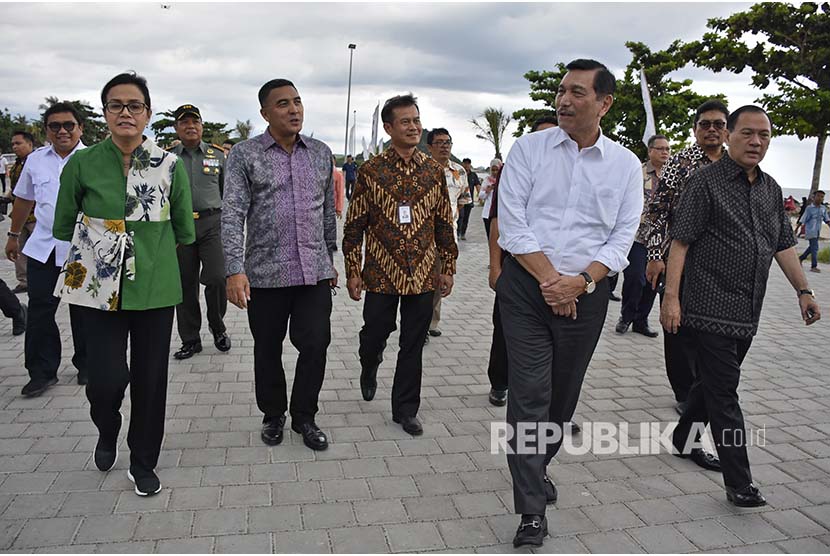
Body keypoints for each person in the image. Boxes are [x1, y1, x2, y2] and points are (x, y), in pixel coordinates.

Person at [497, 59, 643, 548]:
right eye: (561, 90)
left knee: (561, 400)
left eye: (577, 92)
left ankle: (537, 466)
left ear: (604, 103)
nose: (563, 99)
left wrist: (579, 282)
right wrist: (550, 282)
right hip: (526, 287)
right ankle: (531, 509)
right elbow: (513, 224)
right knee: (529, 395)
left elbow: (622, 239)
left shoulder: (624, 165)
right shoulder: (529, 149)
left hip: (587, 292)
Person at [663, 105, 820, 508]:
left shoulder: (770, 188)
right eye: (748, 133)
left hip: (747, 309)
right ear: (729, 135)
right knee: (725, 395)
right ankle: (739, 482)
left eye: (764, 135)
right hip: (707, 305)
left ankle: (681, 437)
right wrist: (671, 298)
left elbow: (782, 244)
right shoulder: (704, 183)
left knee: (712, 386)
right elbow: (679, 242)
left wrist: (805, 291)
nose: (756, 142)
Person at [52, 72, 196, 496]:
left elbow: (185, 229)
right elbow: (63, 223)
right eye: (116, 105)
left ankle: (143, 459)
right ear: (104, 113)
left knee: (151, 379)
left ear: (148, 114)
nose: (125, 113)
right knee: (104, 378)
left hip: (154, 285)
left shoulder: (169, 165)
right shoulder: (82, 163)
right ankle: (107, 425)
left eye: (134, 105)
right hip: (94, 286)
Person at [223, 78, 336, 452]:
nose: (294, 110)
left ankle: (305, 415)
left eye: (298, 102)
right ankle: (273, 414)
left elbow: (327, 214)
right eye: (284, 104)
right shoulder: (244, 154)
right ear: (265, 113)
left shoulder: (320, 152)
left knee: (316, 343)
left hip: (313, 271)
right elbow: (233, 213)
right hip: (266, 274)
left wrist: (331, 258)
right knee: (267, 348)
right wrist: (234, 269)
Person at [343, 93, 458, 437]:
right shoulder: (370, 171)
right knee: (375, 332)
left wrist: (448, 267)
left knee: (413, 343)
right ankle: (369, 362)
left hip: (423, 274)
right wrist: (352, 270)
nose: (413, 127)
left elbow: (443, 223)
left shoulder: (434, 172)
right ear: (389, 127)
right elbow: (354, 226)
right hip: (380, 273)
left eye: (416, 120)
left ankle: (405, 410)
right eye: (405, 121)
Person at [643, 99, 729, 415]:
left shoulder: (734, 164)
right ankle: (684, 391)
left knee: (711, 329)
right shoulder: (680, 164)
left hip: (720, 262)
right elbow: (655, 212)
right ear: (695, 129)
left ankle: (704, 387)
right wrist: (654, 254)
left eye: (718, 124)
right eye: (705, 124)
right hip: (680, 258)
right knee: (677, 326)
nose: (711, 129)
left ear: (727, 130)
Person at [6, 102, 88, 397]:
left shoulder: (93, 159)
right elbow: (24, 200)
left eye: (69, 125)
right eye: (55, 126)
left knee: (84, 310)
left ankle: (87, 366)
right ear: (46, 131)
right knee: (41, 310)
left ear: (80, 128)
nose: (63, 131)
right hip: (44, 248)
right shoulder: (36, 160)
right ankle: (42, 372)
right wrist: (13, 235)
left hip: (82, 250)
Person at [170, 104, 231, 360]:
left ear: (202, 126)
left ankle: (217, 325)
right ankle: (190, 339)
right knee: (185, 285)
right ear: (177, 128)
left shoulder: (217, 156)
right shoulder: (168, 157)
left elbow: (227, 191)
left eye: (194, 121)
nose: (190, 126)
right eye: (184, 122)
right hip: (181, 227)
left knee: (217, 277)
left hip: (212, 223)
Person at [616, 134, 670, 337]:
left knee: (653, 282)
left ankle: (641, 320)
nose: (665, 152)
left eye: (667, 149)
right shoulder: (637, 173)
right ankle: (626, 316)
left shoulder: (671, 175)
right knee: (635, 278)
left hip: (661, 240)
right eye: (660, 148)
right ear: (650, 151)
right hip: (637, 237)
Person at [426, 127, 465, 338]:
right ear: (429, 146)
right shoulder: (422, 169)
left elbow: (462, 201)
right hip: (422, 237)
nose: (445, 146)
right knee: (423, 283)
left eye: (448, 142)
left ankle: (432, 322)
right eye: (439, 142)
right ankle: (419, 325)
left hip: (447, 238)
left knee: (440, 281)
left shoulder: (459, 172)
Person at [8, 131, 36, 293]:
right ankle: (24, 281)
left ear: (30, 144)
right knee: (19, 250)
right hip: (19, 216)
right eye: (13, 144)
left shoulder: (37, 163)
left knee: (40, 253)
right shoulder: (18, 164)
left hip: (35, 216)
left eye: (18, 143)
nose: (15, 147)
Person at [798, 190, 828, 272]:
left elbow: (827, 220)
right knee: (815, 248)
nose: (820, 198)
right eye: (818, 196)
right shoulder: (809, 209)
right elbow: (803, 219)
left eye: (822, 197)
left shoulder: (823, 208)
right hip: (811, 231)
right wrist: (797, 229)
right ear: (813, 197)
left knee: (812, 247)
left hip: (818, 231)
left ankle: (800, 258)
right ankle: (813, 266)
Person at [479, 158, 502, 240]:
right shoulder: (487, 180)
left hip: (500, 213)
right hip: (488, 214)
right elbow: (481, 196)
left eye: (497, 170)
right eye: (493, 170)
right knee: (490, 237)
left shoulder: (504, 180)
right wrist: (487, 191)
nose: (495, 172)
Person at [457, 157, 480, 240]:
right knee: (460, 216)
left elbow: (477, 185)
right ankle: (458, 233)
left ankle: (463, 233)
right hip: (460, 200)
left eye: (468, 163)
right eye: (465, 163)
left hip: (469, 201)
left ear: (470, 165)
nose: (467, 165)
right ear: (462, 164)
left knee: (466, 217)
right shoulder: (459, 173)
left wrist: (480, 195)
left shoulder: (473, 175)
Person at [332, 155, 345, 219]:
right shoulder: (320, 173)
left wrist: (339, 209)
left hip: (332, 205)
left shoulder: (338, 175)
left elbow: (340, 192)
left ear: (334, 162)